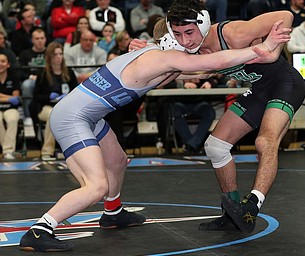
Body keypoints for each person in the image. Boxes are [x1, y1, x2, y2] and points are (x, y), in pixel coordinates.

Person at [18, 15, 290, 251]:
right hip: (73, 118)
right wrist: (261, 48)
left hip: (88, 114)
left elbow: (203, 69)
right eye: (182, 40)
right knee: (95, 186)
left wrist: (221, 58)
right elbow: (216, 62)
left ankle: (113, 213)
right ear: (171, 41)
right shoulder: (160, 59)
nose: (188, 47)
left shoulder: (155, 58)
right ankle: (41, 229)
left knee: (117, 160)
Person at [129, 0, 305, 233]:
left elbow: (285, 14)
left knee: (265, 141)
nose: (185, 41)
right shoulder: (193, 48)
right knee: (215, 146)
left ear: (202, 25)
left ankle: (251, 206)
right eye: (178, 34)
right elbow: (173, 73)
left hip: (285, 84)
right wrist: (143, 55)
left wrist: (272, 52)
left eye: (189, 33)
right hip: (258, 90)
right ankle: (232, 211)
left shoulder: (233, 34)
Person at [29, 42, 78, 160]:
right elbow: (36, 96)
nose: (58, 57)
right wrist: (49, 97)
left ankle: (73, 150)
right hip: (46, 107)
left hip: (65, 107)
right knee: (53, 114)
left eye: (60, 54)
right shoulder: (43, 74)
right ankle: (47, 151)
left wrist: (67, 97)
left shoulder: (69, 73)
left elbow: (76, 92)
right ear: (49, 57)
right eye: (55, 54)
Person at [171, 78, 216, 154]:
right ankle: (194, 145)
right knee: (175, 113)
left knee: (209, 113)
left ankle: (190, 145)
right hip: (180, 101)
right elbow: (165, 84)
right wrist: (181, 84)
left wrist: (209, 83)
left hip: (200, 102)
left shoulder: (202, 67)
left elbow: (214, 80)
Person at [18, 27, 47, 126]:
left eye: (42, 38)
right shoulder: (24, 54)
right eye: (37, 38)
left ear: (45, 39)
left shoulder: (50, 53)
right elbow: (19, 72)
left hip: (47, 80)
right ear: (32, 40)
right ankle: (28, 116)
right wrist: (30, 76)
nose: (40, 41)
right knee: (26, 85)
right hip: (31, 80)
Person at [0, 52, 21, 160]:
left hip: (10, 108)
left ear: (8, 64)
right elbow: (12, 97)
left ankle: (7, 151)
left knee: (12, 119)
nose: (0, 64)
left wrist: (2, 97)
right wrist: (8, 97)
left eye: (3, 61)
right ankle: (7, 150)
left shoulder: (14, 77)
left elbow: (16, 97)